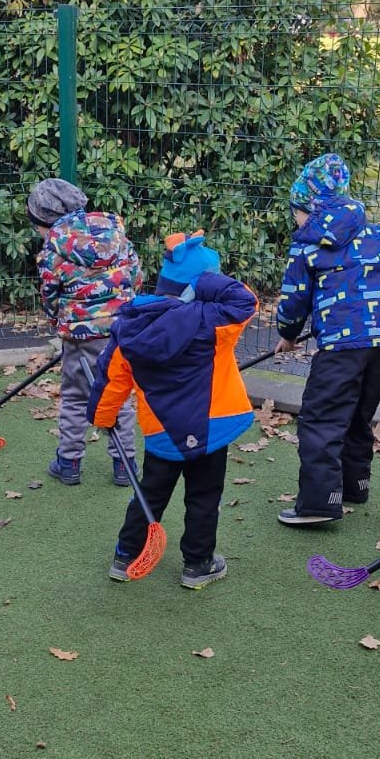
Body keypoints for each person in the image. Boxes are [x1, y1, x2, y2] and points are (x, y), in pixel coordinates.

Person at [87, 230, 257, 589]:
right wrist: (209, 281)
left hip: (163, 430)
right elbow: (245, 300)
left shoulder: (132, 326)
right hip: (212, 426)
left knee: (150, 491)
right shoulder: (214, 320)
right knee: (204, 496)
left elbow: (112, 377)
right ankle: (198, 563)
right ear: (203, 284)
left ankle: (126, 555)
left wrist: (103, 416)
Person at [274, 153, 380, 527]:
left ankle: (319, 503)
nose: (296, 220)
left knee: (321, 418)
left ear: (308, 208)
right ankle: (354, 484)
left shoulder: (306, 245)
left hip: (340, 348)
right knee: (359, 413)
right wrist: (373, 306)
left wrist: (288, 333)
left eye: (296, 212)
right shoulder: (378, 234)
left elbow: (295, 299)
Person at [26, 177, 144, 487]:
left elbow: (49, 293)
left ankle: (69, 463)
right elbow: (136, 275)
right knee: (118, 395)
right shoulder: (115, 234)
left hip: (80, 337)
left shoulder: (53, 248)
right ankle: (125, 465)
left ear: (45, 221)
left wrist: (58, 319)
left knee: (76, 397)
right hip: (120, 332)